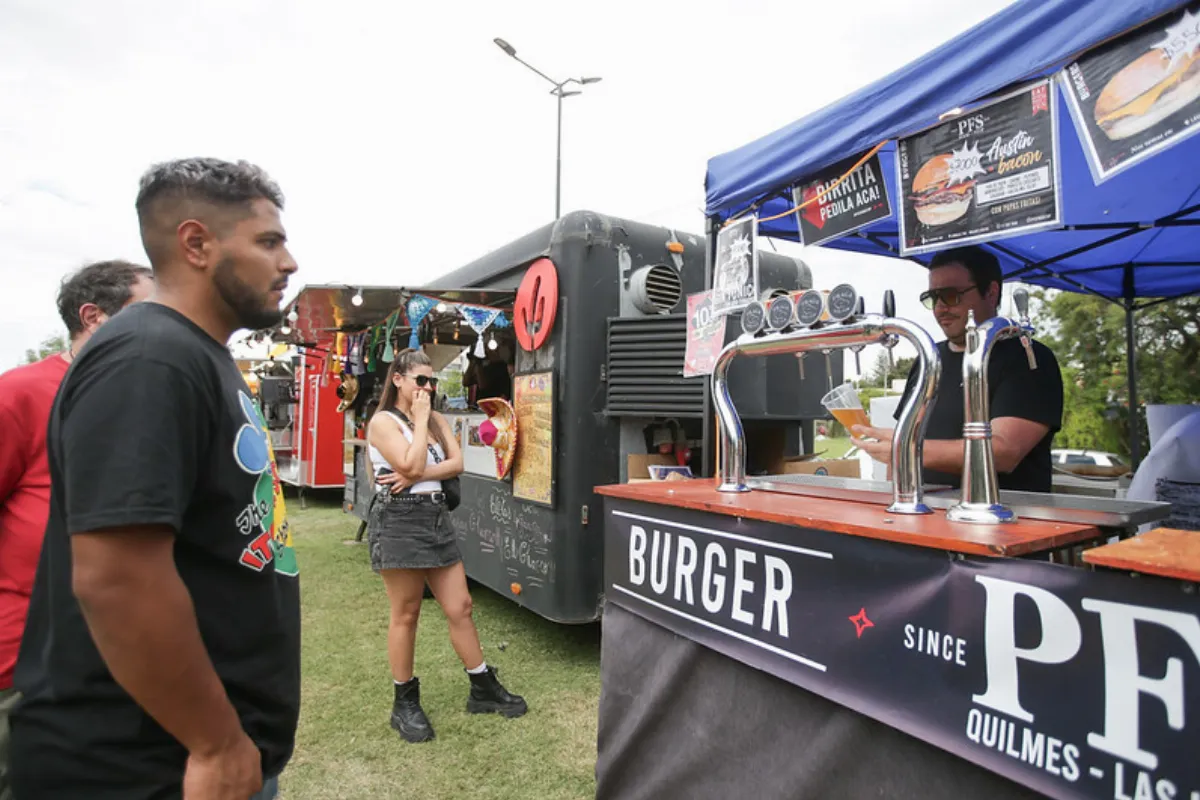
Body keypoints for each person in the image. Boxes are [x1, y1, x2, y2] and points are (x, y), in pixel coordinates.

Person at [10, 157, 301, 800]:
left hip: (195, 756)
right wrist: (215, 741)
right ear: (196, 243)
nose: (289, 263)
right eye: (268, 241)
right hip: (141, 766)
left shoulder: (200, 355)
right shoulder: (150, 356)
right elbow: (117, 575)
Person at [0, 260, 153, 799]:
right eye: (148, 313)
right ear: (93, 317)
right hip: (24, 663)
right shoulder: (19, 394)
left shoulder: (145, 397)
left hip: (123, 660)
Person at [366, 347, 526, 744]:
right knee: (406, 612)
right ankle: (404, 701)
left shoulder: (436, 418)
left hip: (435, 516)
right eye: (420, 380)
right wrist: (418, 427)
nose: (428, 388)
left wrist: (417, 465)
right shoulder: (383, 422)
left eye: (432, 381)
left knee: (461, 606)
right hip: (400, 518)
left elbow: (454, 465)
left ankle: (481, 686)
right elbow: (409, 462)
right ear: (398, 379)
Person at [852, 246, 1063, 492]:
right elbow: (902, 439)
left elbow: (1004, 452)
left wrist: (907, 449)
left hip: (1006, 522)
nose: (940, 308)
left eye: (951, 295)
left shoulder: (1028, 357)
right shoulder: (928, 358)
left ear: (991, 292)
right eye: (933, 298)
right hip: (924, 517)